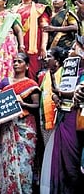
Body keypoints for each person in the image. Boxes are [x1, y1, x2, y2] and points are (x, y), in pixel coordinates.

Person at [40, 40, 83, 194]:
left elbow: (73, 93)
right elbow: (59, 91)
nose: (71, 50)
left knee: (72, 161)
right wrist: (57, 96)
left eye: (74, 47)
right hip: (64, 116)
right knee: (63, 161)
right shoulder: (69, 71)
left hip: (75, 118)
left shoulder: (81, 73)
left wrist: (61, 94)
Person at [0, 52, 41, 194]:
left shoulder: (31, 84)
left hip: (25, 128)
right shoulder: (4, 82)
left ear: (27, 66)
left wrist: (23, 104)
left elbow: (37, 106)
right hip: (7, 126)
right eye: (14, 61)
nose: (16, 63)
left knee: (24, 163)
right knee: (7, 161)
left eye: (20, 61)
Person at [12, 0, 51, 80]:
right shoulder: (13, 10)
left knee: (32, 71)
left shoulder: (39, 8)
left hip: (33, 46)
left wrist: (43, 47)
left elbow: (44, 29)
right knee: (16, 71)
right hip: (16, 44)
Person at [38, 47, 66, 145]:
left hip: (59, 118)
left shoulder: (64, 72)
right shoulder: (46, 75)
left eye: (49, 56)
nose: (46, 59)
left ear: (57, 61)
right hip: (45, 119)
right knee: (48, 150)